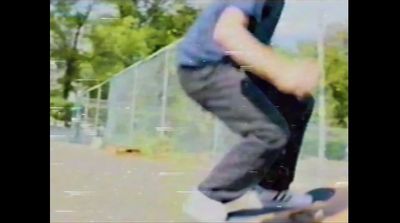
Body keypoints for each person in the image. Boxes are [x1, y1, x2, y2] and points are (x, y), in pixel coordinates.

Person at [176, 0, 319, 221]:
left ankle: (273, 189)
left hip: (232, 66)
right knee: (269, 133)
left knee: (296, 102)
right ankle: (208, 196)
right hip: (205, 68)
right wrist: (281, 72)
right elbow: (228, 32)